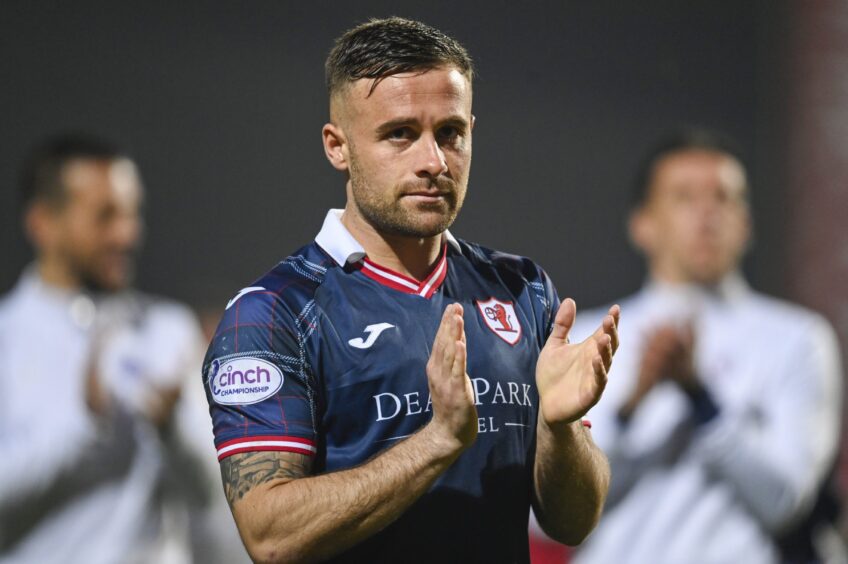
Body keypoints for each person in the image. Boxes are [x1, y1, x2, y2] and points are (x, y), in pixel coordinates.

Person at [203, 16, 620, 564]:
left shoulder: (522, 291)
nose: (434, 162)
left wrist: (559, 428)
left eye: (451, 133)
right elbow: (272, 536)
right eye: (400, 133)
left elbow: (572, 524)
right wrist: (437, 441)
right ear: (338, 146)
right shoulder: (274, 313)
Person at [565, 129, 843, 564]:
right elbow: (553, 514)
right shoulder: (585, 335)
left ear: (747, 223)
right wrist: (631, 406)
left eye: (724, 197)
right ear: (642, 224)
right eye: (683, 198)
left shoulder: (799, 339)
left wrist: (701, 398)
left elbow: (785, 503)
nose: (707, 214)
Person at [0, 133, 247, 564]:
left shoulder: (168, 330)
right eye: (105, 216)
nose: (127, 234)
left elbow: (220, 497)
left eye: (132, 213)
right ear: (43, 222)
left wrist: (172, 429)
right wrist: (88, 427)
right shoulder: (8, 336)